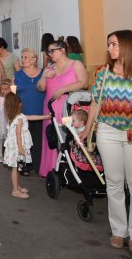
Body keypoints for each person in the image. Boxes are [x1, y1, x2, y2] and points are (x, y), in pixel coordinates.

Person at [79, 30, 132, 253]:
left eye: (114, 44)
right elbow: (95, 103)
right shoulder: (102, 73)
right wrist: (87, 131)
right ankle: (118, 231)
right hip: (107, 132)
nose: (109, 48)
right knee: (114, 183)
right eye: (108, 44)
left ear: (127, 45)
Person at [37, 39, 87, 177]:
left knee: (67, 138)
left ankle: (71, 170)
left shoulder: (75, 64)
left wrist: (65, 88)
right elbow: (40, 88)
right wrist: (43, 76)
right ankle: (52, 170)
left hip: (68, 108)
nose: (49, 54)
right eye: (48, 51)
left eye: (52, 51)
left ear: (62, 50)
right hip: (50, 108)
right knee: (52, 137)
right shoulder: (49, 68)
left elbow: (84, 82)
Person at [3, 92, 33, 199]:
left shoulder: (16, 116)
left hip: (15, 147)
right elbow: (18, 135)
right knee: (15, 168)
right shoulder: (19, 119)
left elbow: (31, 117)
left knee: (19, 167)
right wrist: (20, 148)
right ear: (18, 104)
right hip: (17, 148)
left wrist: (46, 116)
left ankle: (17, 185)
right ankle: (15, 190)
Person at [14, 48, 46, 117]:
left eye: (26, 57)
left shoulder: (44, 74)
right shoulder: (16, 75)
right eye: (22, 57)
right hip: (23, 115)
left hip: (41, 115)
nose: (22, 60)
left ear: (34, 59)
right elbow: (12, 96)